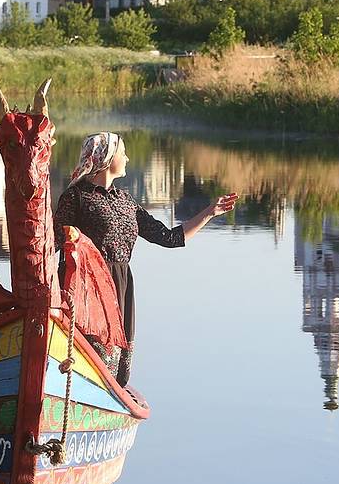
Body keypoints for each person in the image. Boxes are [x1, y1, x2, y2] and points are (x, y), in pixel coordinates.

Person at [54, 131, 237, 386]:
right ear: (106, 158)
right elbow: (51, 243)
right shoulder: (75, 198)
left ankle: (109, 399)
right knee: (89, 357)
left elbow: (170, 238)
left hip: (121, 285)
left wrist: (209, 212)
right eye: (122, 152)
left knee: (116, 366)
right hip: (88, 289)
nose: (127, 158)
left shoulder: (125, 201)